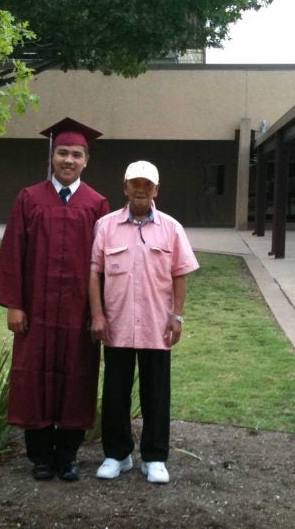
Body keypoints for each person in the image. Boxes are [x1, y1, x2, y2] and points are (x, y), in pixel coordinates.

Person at [0, 117, 110, 482]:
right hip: (35, 312)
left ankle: (68, 456)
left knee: (78, 377)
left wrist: (99, 312)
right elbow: (13, 252)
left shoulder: (97, 204)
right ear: (52, 156)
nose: (68, 160)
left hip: (79, 312)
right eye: (62, 153)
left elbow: (104, 263)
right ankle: (40, 457)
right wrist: (14, 304)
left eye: (75, 154)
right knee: (33, 378)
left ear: (86, 159)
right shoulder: (29, 198)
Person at [89, 160, 199, 484]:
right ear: (125, 188)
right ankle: (117, 455)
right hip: (117, 324)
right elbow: (95, 272)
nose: (141, 189)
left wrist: (177, 317)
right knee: (115, 393)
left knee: (156, 393)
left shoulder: (172, 228)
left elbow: (180, 275)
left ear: (156, 190)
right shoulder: (106, 226)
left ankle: (154, 458)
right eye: (135, 184)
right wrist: (97, 314)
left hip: (156, 325)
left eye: (147, 185)